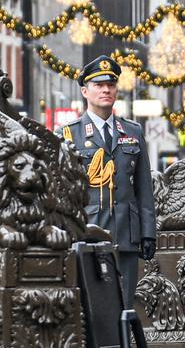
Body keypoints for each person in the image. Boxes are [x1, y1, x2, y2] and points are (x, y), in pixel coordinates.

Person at [61, 55, 155, 308]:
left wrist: (148, 233)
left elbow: (143, 188)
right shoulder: (70, 134)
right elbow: (63, 192)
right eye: (98, 85)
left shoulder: (132, 132)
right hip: (88, 232)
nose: (106, 90)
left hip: (127, 234)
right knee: (93, 307)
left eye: (111, 85)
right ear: (84, 91)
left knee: (125, 306)